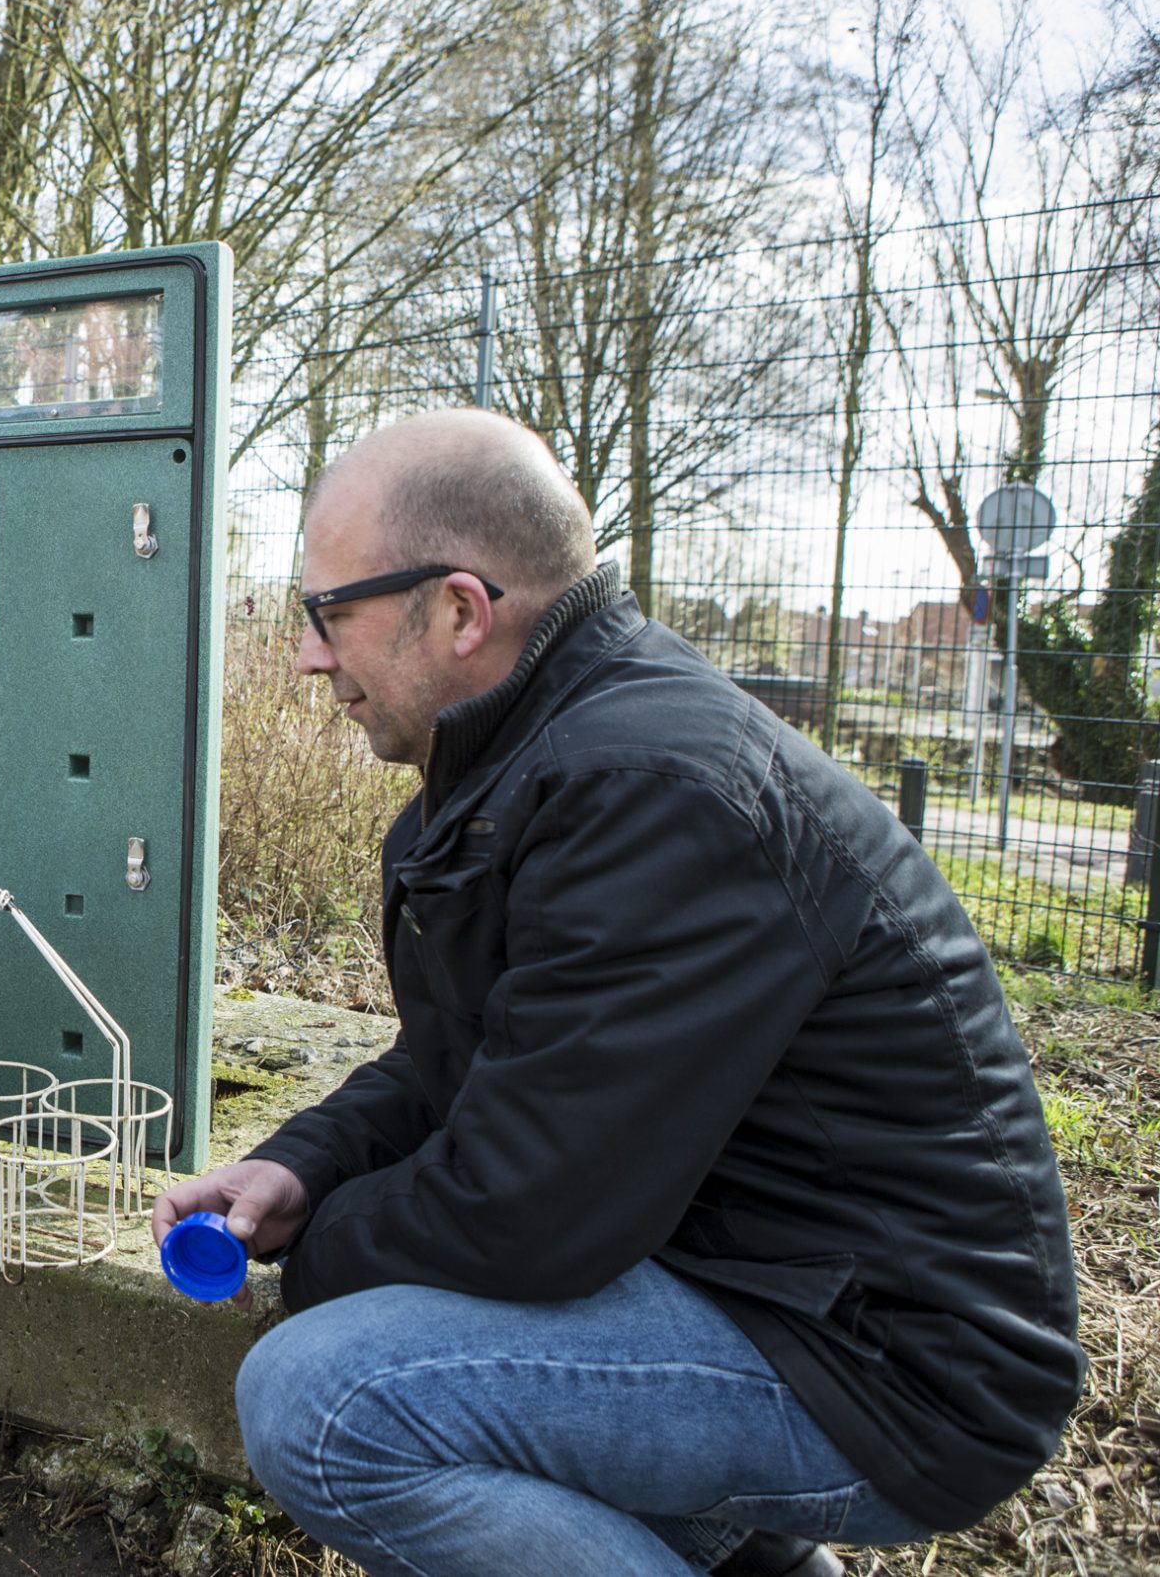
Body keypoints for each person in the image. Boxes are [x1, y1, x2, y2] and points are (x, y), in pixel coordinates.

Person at [154, 410, 1082, 1577]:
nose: (306, 656)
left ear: (458, 609)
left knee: (327, 1401)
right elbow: (468, 1063)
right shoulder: (540, 761)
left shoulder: (653, 790)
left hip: (886, 1364)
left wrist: (309, 1261)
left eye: (329, 614)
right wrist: (301, 1169)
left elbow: (525, 1212)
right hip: (752, 1279)